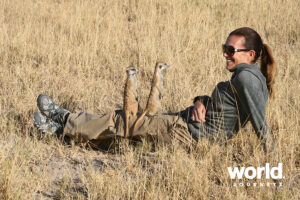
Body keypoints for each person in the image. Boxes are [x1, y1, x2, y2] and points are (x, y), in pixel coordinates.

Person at [34, 27, 277, 152]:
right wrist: (200, 101)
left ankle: (64, 121)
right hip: (189, 126)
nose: (225, 54)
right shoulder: (247, 76)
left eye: (231, 50)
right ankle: (65, 135)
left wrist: (273, 167)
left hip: (189, 135)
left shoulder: (247, 80)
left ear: (251, 54)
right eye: (224, 48)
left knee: (126, 121)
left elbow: (260, 124)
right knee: (132, 139)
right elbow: (225, 105)